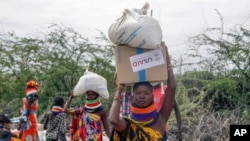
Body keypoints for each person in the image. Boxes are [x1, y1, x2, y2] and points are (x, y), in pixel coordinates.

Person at [109, 45, 175, 141]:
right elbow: (113, 120)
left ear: (152, 96)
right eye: (138, 93)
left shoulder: (160, 120)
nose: (142, 96)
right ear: (133, 96)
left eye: (146, 93)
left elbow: (172, 89)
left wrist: (167, 61)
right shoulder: (128, 124)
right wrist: (119, 89)